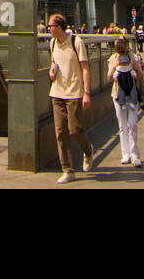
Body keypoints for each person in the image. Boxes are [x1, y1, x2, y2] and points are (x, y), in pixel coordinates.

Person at [48, 14, 93, 183]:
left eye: (50, 26)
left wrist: (86, 92)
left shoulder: (76, 42)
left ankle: (88, 150)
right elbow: (54, 63)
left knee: (74, 129)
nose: (48, 29)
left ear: (58, 27)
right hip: (57, 92)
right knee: (60, 132)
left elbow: (85, 68)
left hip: (74, 93)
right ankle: (68, 170)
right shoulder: (52, 43)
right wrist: (51, 71)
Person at [106, 36, 144, 168]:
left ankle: (134, 154)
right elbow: (109, 78)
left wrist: (136, 67)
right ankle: (125, 154)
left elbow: (141, 77)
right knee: (122, 126)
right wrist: (114, 67)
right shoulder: (113, 58)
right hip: (117, 94)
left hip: (132, 94)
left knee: (132, 124)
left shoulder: (133, 57)